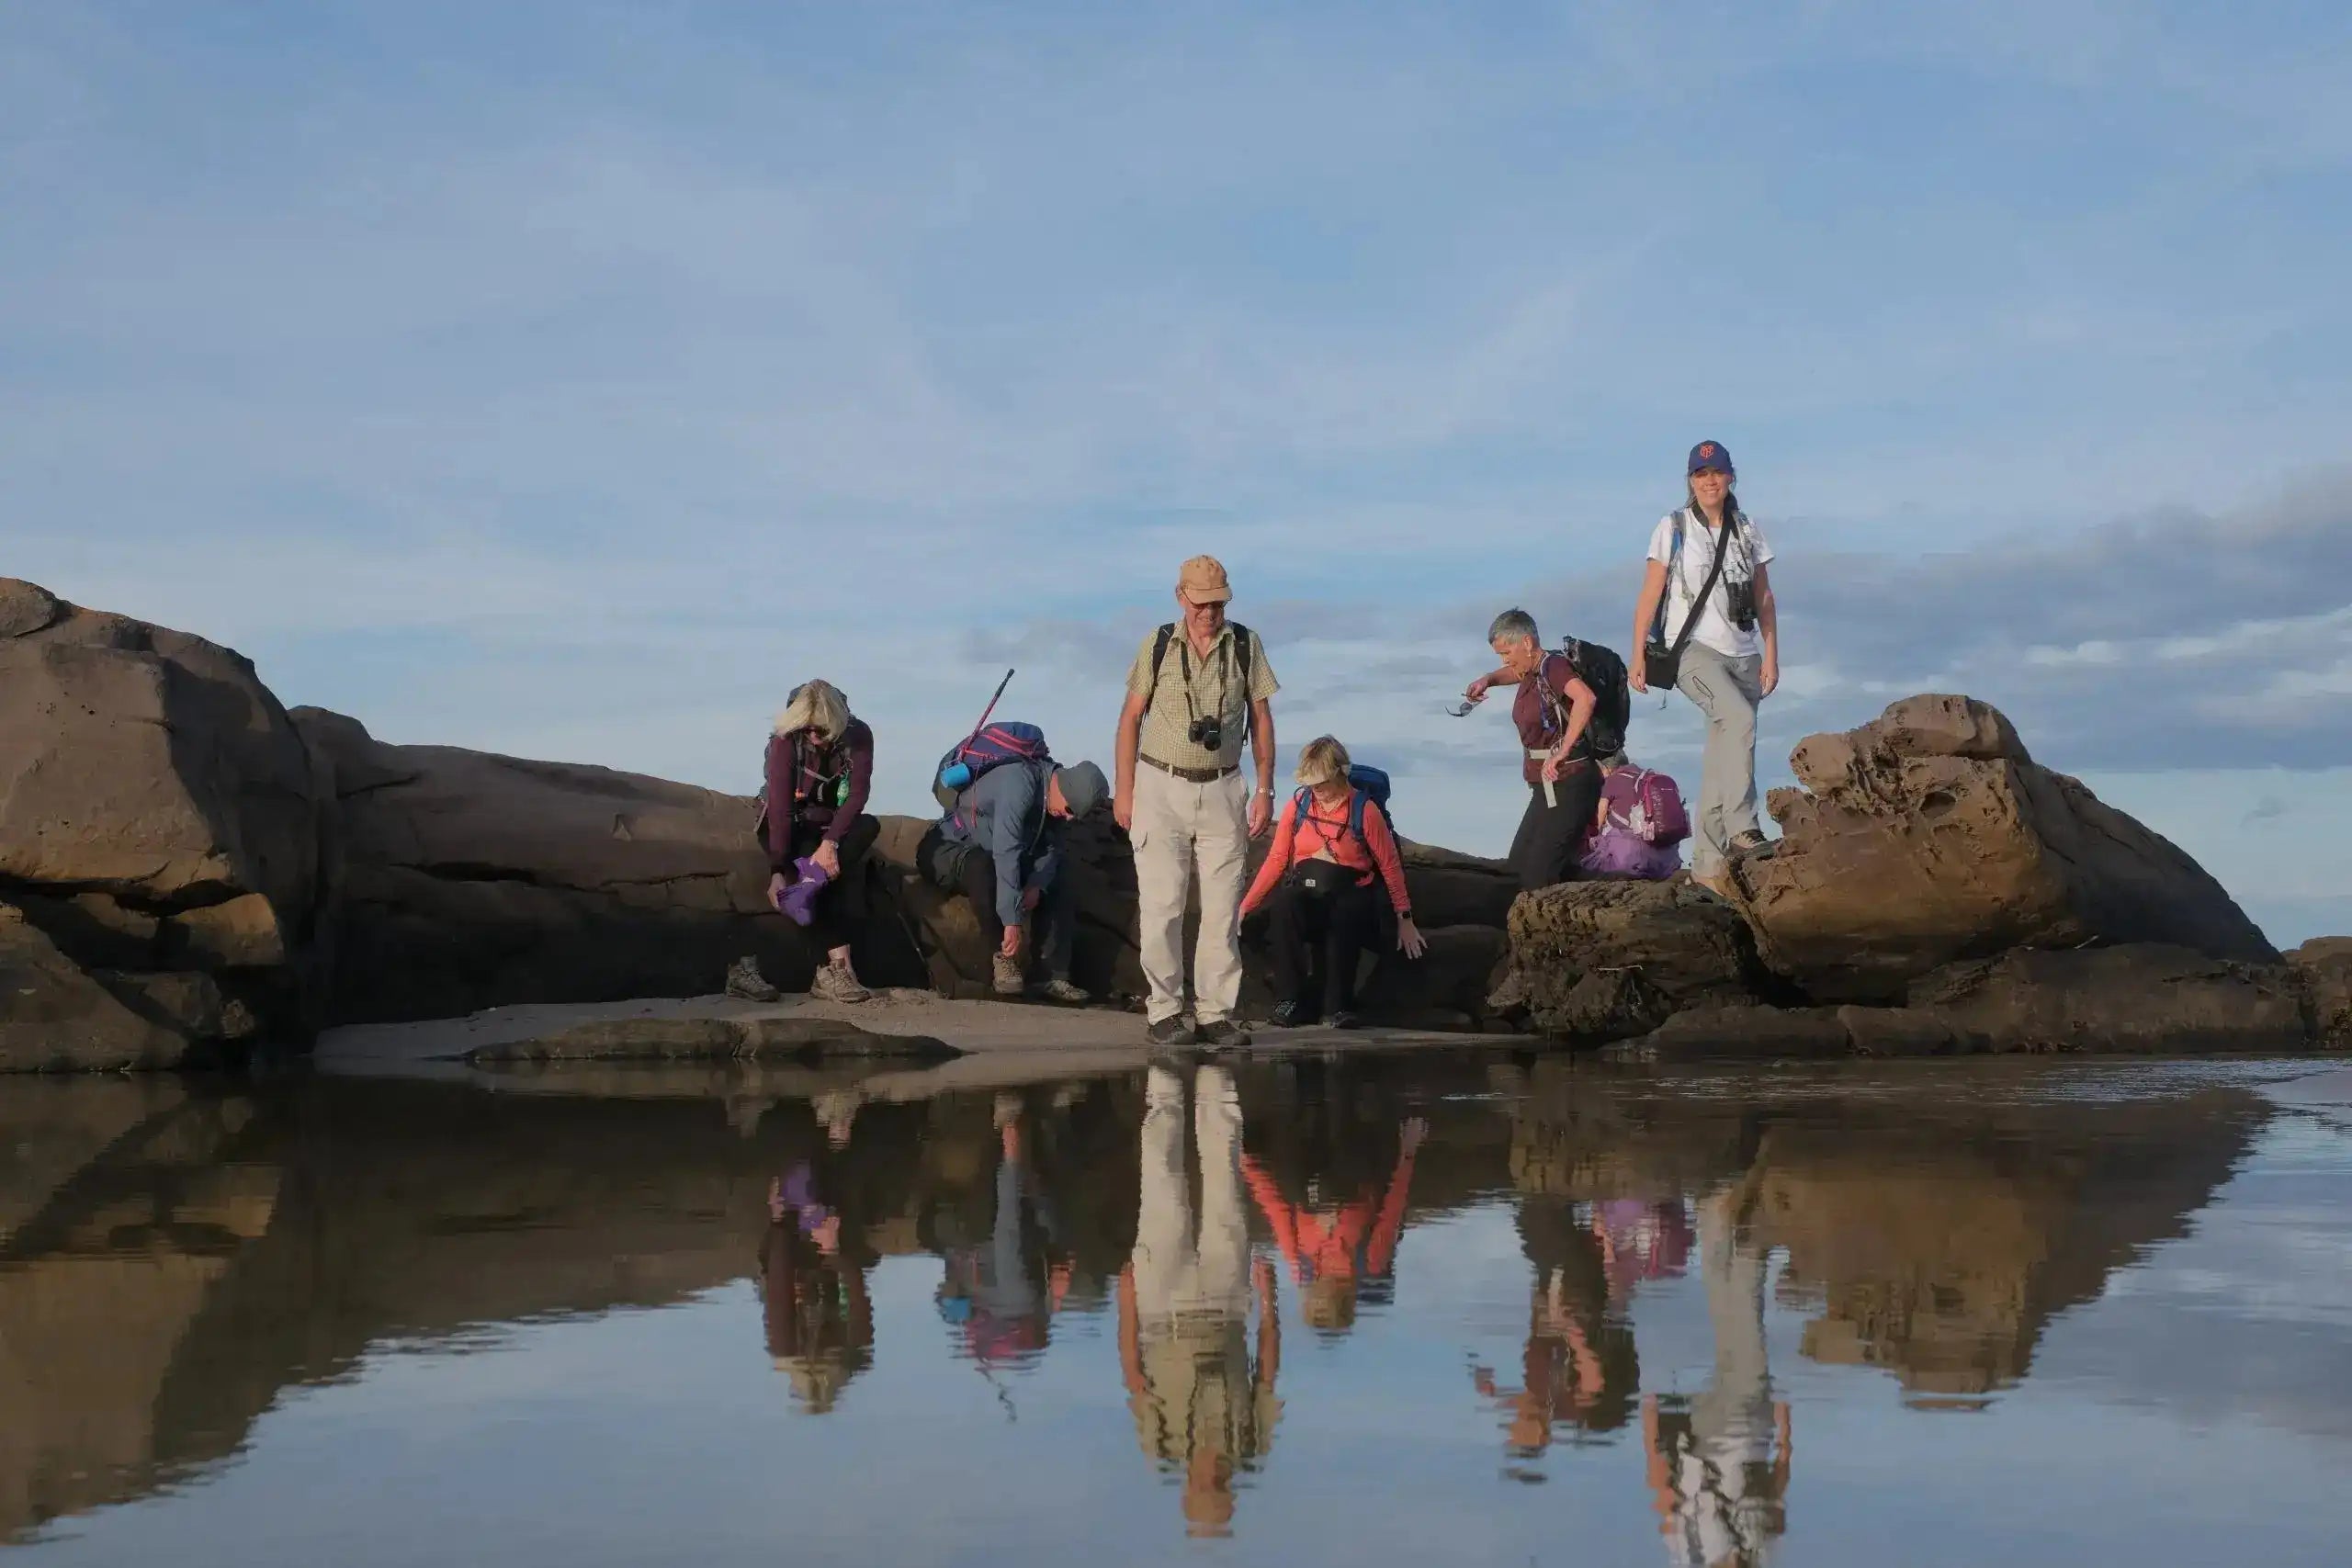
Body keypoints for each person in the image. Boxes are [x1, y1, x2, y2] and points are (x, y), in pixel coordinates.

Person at [1114, 556, 1281, 1050]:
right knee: (1162, 904)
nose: (1210, 612)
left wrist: (1266, 787)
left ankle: (1214, 1014)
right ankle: (1164, 1011)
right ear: (1181, 596)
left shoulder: (1246, 644)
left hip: (1225, 785)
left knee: (1223, 907)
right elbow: (1129, 719)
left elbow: (1262, 718)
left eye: (1219, 602)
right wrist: (1125, 791)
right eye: (1202, 602)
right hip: (1159, 785)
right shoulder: (1159, 643)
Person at [1119, 1062, 1282, 1539]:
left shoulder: (1162, 1448)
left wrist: (1126, 1299)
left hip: (1161, 1306)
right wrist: (1270, 1301)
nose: (1214, 1485)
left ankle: (1164, 1083)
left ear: (1188, 1493)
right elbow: (1267, 1372)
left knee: (1161, 1173)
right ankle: (1217, 1080)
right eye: (1218, 1495)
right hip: (1229, 1303)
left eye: (1209, 1495)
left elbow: (1133, 1373)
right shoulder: (1252, 1445)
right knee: (1225, 1175)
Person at [1629, 440, 1781, 901]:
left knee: (1722, 757)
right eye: (1700, 474)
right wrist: (1637, 654)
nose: (1708, 481)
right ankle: (1743, 826)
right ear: (1690, 481)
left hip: (1745, 654)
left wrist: (1772, 654)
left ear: (1730, 477)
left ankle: (1708, 867)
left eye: (1716, 473)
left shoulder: (1747, 529)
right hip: (1693, 652)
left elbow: (1765, 597)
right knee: (1738, 721)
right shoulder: (1673, 527)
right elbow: (1650, 594)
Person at [1238, 736, 1426, 1028]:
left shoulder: (1364, 811)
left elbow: (1390, 867)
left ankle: (1337, 1006)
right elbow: (1276, 860)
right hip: (1307, 893)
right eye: (1312, 784)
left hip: (1349, 896)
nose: (1318, 791)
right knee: (1285, 904)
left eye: (1322, 783)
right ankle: (1289, 1000)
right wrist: (1246, 907)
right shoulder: (1299, 805)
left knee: (1345, 912)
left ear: (1339, 774)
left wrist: (1405, 919)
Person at [917, 753, 1108, 999]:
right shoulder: (1018, 784)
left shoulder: (1053, 799)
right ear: (1062, 786)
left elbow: (1053, 848)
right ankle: (1003, 960)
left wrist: (1037, 884)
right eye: (1070, 809)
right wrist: (1012, 920)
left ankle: (1050, 977)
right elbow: (1005, 851)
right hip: (950, 848)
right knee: (983, 868)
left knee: (1057, 878)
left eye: (1075, 814)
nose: (1069, 816)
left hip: (997, 853)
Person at [1241, 1115, 1424, 1335]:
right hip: (1355, 1168)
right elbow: (1392, 1210)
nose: (1313, 1296)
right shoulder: (1368, 1262)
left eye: (1311, 1303)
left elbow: (1277, 1210)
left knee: (1313, 1184)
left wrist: (1247, 1165)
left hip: (1311, 1173)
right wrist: (1408, 1153)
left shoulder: (1302, 1267)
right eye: (1321, 1303)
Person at [1461, 608, 1602, 890]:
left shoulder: (1554, 667)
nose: (1505, 660)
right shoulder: (1532, 669)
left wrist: (1562, 752)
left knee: (1538, 875)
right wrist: (1487, 679)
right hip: (1547, 786)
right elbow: (1511, 673)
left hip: (1571, 781)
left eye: (1506, 652)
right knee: (1517, 869)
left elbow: (1585, 698)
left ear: (1526, 642)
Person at [756, 679, 878, 1003]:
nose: (814, 736)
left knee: (867, 828)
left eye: (821, 730)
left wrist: (832, 843)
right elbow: (780, 808)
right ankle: (840, 969)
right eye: (807, 729)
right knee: (825, 879)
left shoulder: (858, 735)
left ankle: (809, 885)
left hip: (832, 822)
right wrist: (777, 869)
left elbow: (857, 795)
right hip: (794, 820)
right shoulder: (786, 741)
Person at [1578, 751, 1685, 881]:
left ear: (1607, 768)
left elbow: (1597, 825)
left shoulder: (1613, 781)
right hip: (1668, 861)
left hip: (1631, 861)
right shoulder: (1651, 778)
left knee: (1585, 858)